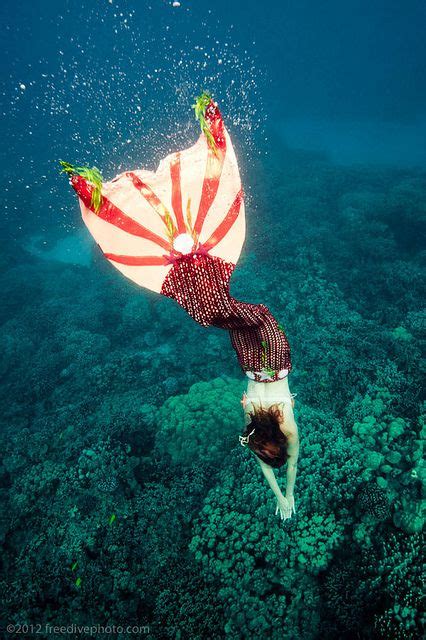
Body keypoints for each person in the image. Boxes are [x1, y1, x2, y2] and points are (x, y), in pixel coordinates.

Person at [60, 92, 299, 521]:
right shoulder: (272, 429)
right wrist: (286, 495)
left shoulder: (264, 434)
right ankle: (190, 263)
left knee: (225, 315)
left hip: (262, 363)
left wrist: (283, 496)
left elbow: (273, 463)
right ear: (272, 441)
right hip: (266, 361)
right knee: (229, 313)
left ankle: (190, 265)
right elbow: (280, 463)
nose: (273, 455)